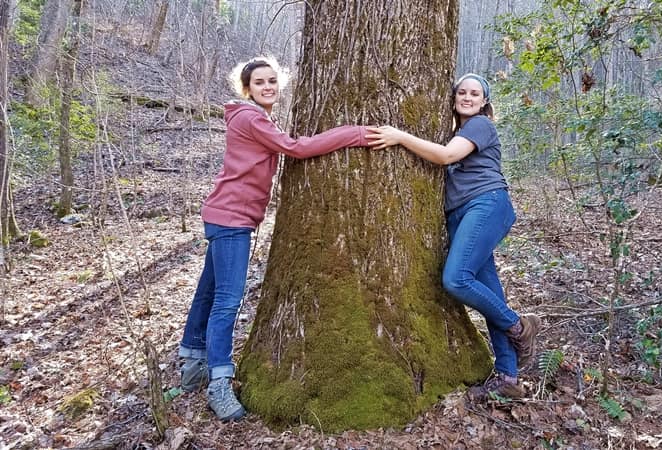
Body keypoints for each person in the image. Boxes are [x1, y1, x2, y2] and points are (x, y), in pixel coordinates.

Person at [178, 56, 370, 421]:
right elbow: (296, 148)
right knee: (226, 301)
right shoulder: (251, 118)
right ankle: (219, 382)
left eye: (272, 81)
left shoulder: (252, 117)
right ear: (247, 88)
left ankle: (191, 363)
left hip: (225, 216)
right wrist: (355, 134)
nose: (268, 87)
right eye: (260, 83)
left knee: (208, 292)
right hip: (232, 219)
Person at [366, 73, 540, 399]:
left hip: (486, 204)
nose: (468, 97)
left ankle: (519, 326)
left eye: (475, 93)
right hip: (462, 215)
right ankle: (508, 377)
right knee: (488, 291)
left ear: (485, 101)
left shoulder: (479, 126)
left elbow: (445, 157)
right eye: (462, 92)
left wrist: (400, 136)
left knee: (456, 279)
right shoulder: (455, 132)